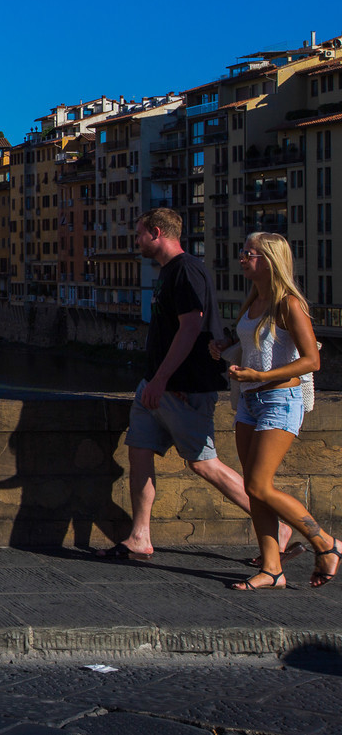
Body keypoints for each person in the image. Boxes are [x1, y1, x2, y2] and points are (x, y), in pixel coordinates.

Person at [105, 208, 291, 559]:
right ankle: (140, 536)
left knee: (204, 463)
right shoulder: (168, 273)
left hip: (183, 387)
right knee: (139, 451)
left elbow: (191, 327)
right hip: (155, 385)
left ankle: (276, 525)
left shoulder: (187, 270)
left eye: (139, 234)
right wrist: (153, 380)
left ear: (157, 233)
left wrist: (162, 379)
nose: (136, 241)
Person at [211, 232, 339, 589]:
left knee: (258, 484)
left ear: (269, 260)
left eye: (248, 253)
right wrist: (228, 347)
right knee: (254, 491)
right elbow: (259, 346)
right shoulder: (253, 300)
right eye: (242, 251)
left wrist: (261, 375)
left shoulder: (289, 304)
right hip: (250, 401)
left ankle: (325, 543)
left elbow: (312, 359)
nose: (241, 258)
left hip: (280, 401)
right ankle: (272, 569)